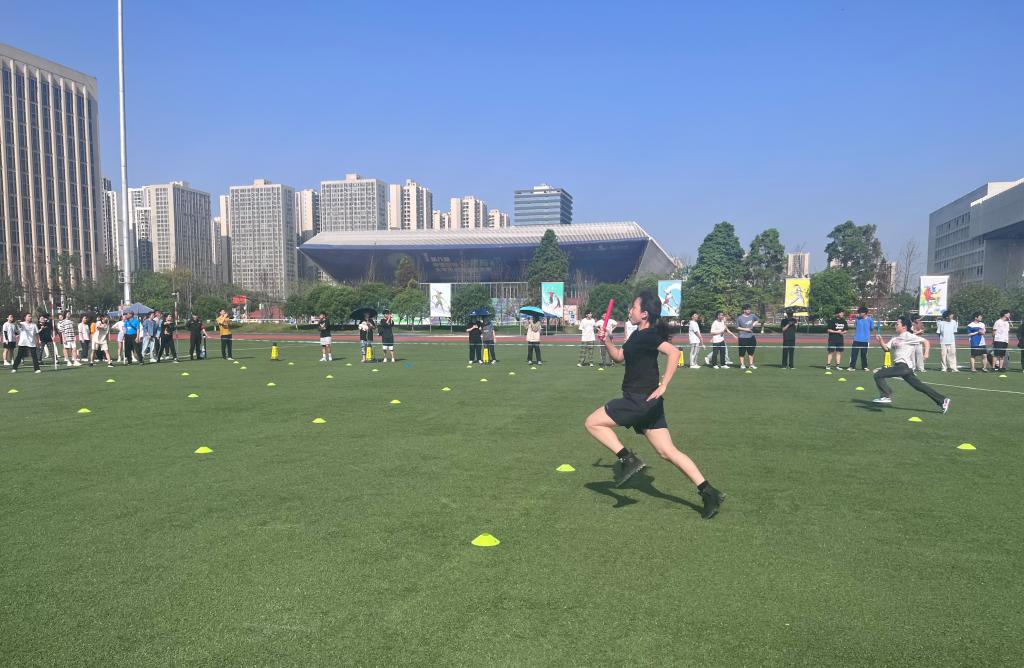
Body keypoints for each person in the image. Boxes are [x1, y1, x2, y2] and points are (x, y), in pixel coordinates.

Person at [585, 292, 725, 519]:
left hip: (638, 400)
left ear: (644, 314)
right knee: (667, 451)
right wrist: (607, 340)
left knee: (592, 423)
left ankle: (628, 459)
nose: (630, 311)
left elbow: (674, 353)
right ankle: (709, 492)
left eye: (633, 307)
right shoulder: (637, 334)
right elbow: (619, 357)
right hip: (649, 404)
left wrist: (664, 385)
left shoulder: (649, 335)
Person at [873, 316, 950, 413]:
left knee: (878, 375)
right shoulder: (895, 338)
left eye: (897, 324)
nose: (895, 325)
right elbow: (886, 349)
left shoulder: (908, 336)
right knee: (919, 386)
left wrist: (926, 353)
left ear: (904, 326)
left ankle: (886, 395)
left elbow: (926, 341)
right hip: (900, 367)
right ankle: (943, 400)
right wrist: (880, 341)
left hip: (904, 366)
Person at [849, 306, 874, 371]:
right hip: (856, 339)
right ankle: (852, 367)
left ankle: (864, 367)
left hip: (865, 340)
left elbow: (872, 328)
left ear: (865, 313)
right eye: (859, 312)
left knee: (864, 354)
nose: (859, 313)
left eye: (861, 312)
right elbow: (855, 326)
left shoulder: (870, 320)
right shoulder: (857, 319)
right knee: (854, 354)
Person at [735, 304, 759, 369]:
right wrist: (746, 329)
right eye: (747, 309)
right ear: (744, 310)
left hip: (751, 337)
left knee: (751, 351)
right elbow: (737, 327)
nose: (749, 310)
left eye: (749, 309)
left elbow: (757, 320)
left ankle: (751, 364)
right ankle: (742, 364)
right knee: (742, 352)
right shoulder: (739, 318)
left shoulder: (752, 316)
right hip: (742, 337)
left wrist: (753, 325)